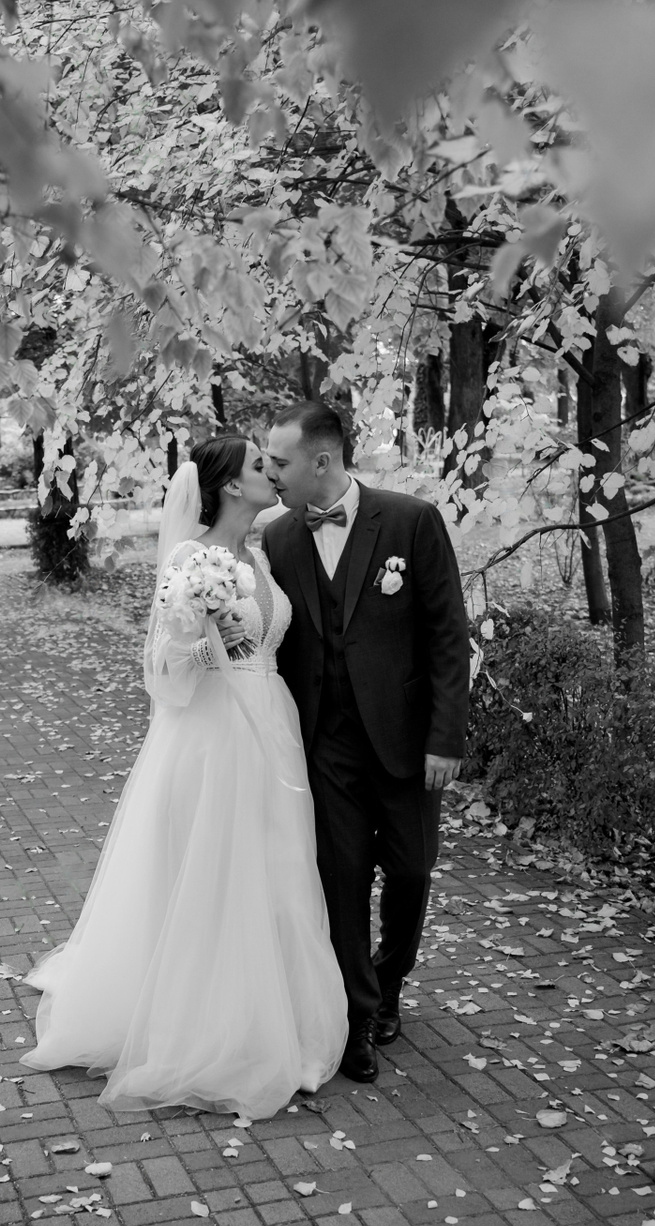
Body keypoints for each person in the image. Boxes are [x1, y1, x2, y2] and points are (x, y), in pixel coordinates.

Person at [20, 435, 347, 1119]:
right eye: (260, 466)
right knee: (216, 870)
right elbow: (162, 671)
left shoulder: (260, 555)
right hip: (213, 734)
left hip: (272, 723)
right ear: (229, 486)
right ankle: (210, 1028)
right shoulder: (187, 561)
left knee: (279, 865)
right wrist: (208, 642)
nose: (272, 473)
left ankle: (279, 1015)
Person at [261, 401, 470, 1085]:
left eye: (280, 461)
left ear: (321, 460)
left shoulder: (411, 520)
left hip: (407, 742)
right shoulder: (279, 539)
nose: (270, 472)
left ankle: (389, 977)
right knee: (341, 880)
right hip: (325, 744)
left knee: (411, 872)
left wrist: (445, 738)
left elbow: (447, 636)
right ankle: (356, 1017)